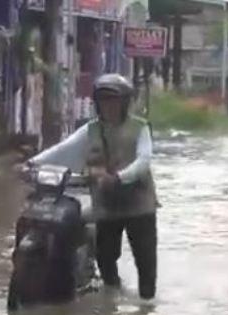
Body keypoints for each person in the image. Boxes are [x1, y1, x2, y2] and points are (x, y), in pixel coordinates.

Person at [25, 73, 158, 299]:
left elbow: (144, 161)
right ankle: (112, 297)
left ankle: (146, 309)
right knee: (105, 257)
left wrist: (118, 177)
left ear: (125, 102)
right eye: (104, 101)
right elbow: (62, 150)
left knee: (145, 261)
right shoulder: (92, 129)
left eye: (114, 101)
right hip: (106, 205)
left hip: (139, 205)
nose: (109, 106)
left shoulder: (140, 128)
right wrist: (30, 164)